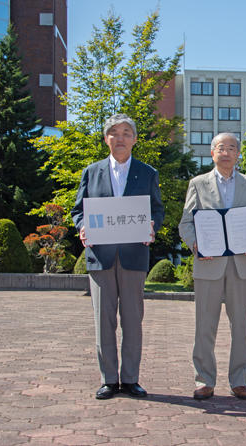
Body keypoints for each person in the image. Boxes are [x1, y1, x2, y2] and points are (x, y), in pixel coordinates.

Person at [71, 113, 164, 400]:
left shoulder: (148, 173)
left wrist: (152, 226)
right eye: (114, 132)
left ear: (135, 139)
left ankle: (131, 379)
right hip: (101, 256)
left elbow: (157, 211)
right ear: (106, 138)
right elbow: (78, 210)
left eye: (126, 133)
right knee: (104, 320)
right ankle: (109, 379)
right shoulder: (91, 171)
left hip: (134, 256)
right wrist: (82, 227)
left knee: (133, 320)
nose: (120, 138)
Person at [178, 132, 246, 401]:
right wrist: (197, 245)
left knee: (241, 326)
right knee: (205, 325)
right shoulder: (198, 183)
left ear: (238, 154)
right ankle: (204, 380)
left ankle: (240, 381)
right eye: (220, 148)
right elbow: (186, 224)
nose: (226, 152)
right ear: (212, 153)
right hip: (208, 263)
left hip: (241, 264)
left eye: (231, 148)